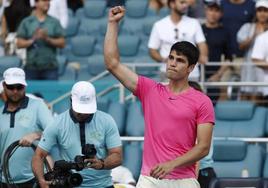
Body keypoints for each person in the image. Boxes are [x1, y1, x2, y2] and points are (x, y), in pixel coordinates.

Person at [104, 6, 214, 188]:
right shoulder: (150, 90)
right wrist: (112, 23)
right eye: (171, 58)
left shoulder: (202, 101)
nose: (172, 63)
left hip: (184, 180)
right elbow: (112, 64)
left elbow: (203, 147)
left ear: (191, 68)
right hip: (149, 179)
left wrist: (171, 164)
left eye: (180, 60)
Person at [32, 81, 123, 188]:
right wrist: (42, 181)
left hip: (103, 185)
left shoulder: (107, 120)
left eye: (86, 110)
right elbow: (38, 155)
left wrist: (102, 163)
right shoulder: (57, 123)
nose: (83, 114)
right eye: (80, 110)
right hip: (71, 184)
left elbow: (118, 156)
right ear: (71, 100)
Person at [0, 67, 53, 188]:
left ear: (25, 87)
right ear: (4, 86)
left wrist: (35, 135)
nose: (15, 91)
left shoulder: (38, 106)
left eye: (19, 87)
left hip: (34, 178)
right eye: (11, 87)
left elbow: (55, 132)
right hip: (5, 180)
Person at [148, 0, 208, 81]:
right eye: (182, 2)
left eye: (186, 3)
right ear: (172, 4)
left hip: (191, 73)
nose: (185, 5)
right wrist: (163, 59)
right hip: (168, 72)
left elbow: (202, 44)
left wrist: (203, 55)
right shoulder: (159, 25)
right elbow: (152, 49)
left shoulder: (194, 23)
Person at [16, 0, 65, 80]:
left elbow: (62, 43)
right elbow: (19, 43)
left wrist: (47, 39)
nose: (47, 3)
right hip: (31, 67)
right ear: (36, 3)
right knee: (30, 92)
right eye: (44, 0)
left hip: (50, 67)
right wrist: (33, 39)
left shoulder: (54, 22)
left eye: (48, 1)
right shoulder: (27, 22)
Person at [237, 0, 268, 103]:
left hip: (265, 70)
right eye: (260, 10)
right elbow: (241, 46)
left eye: (265, 10)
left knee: (260, 100)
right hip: (249, 68)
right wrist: (254, 35)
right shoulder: (247, 27)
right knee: (246, 97)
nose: (262, 13)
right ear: (256, 12)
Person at [202, 0, 232, 104]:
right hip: (196, 74)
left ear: (221, 14)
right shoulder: (198, 29)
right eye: (211, 10)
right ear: (206, 11)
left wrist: (218, 75)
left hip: (214, 76)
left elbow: (229, 58)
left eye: (216, 10)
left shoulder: (225, 32)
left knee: (211, 106)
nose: (213, 13)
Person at [188, 81, 216, 188]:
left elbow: (197, 156)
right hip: (202, 172)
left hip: (201, 173)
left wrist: (192, 181)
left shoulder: (197, 120)